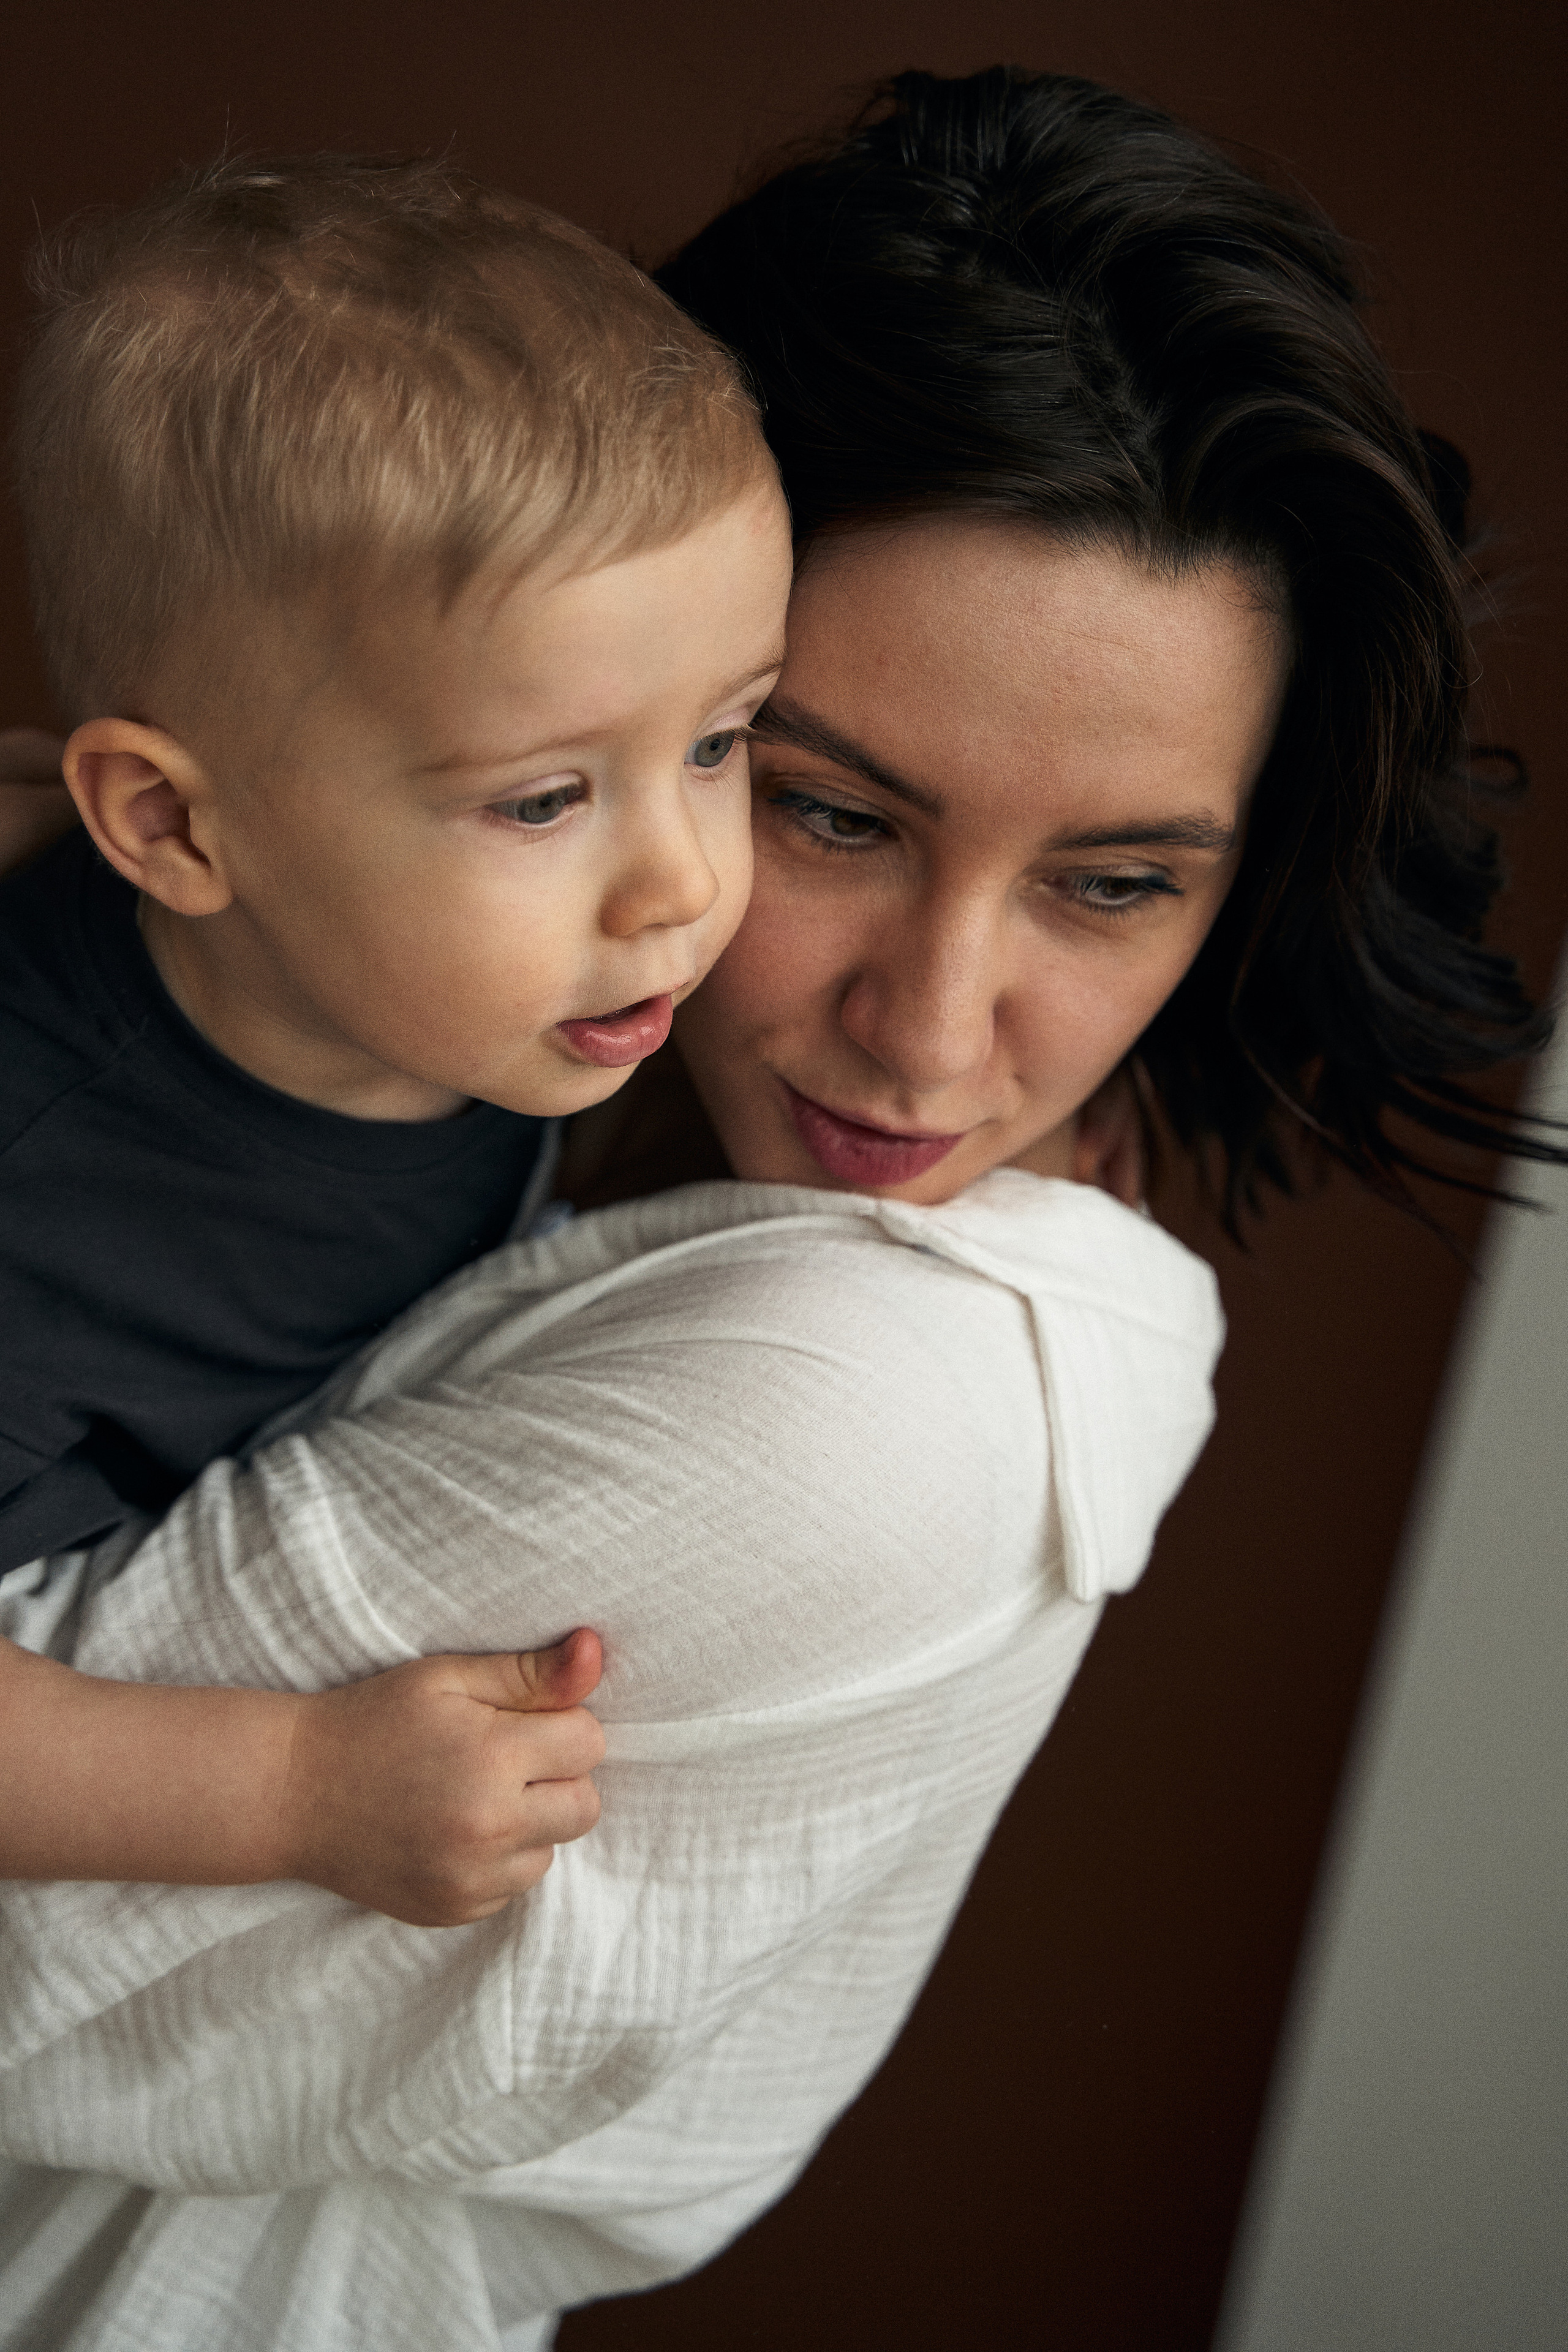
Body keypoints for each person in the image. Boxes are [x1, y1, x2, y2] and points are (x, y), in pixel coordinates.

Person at [0, 64, 1558, 2352]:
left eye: (1115, 884)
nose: (931, 1041)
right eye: (833, 812)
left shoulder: (892, 1379)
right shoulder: (308, 1011)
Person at [0, 154, 792, 1922]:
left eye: (723, 740)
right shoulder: (45, 1195)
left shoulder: (485, 989)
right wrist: (287, 1787)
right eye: (541, 800)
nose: (683, 881)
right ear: (176, 827)